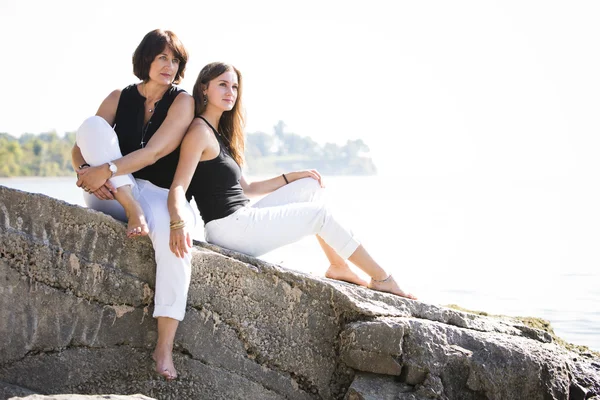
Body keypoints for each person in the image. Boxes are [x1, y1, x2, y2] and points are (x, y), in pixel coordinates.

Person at [167, 62, 417, 300]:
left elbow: (249, 188)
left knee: (309, 187)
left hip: (241, 219)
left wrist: (292, 176)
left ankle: (338, 266)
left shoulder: (218, 133)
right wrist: (177, 224)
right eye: (222, 84)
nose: (230, 92)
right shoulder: (199, 132)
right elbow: (179, 185)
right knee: (319, 215)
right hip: (228, 229)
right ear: (204, 88)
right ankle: (382, 278)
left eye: (234, 87)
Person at [70, 29, 195, 380]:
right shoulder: (118, 96)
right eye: (162, 58)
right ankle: (131, 208)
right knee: (92, 125)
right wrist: (83, 170)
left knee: (177, 247)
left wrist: (106, 169)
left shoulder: (182, 102)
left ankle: (164, 348)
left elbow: (155, 152)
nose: (169, 66)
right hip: (113, 195)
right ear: (147, 59)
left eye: (175, 60)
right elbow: (81, 145)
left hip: (155, 191)